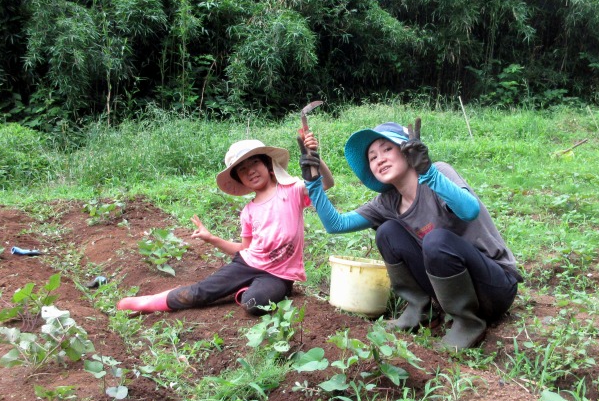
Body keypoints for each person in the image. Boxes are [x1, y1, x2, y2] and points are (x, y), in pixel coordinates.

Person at [299, 121, 521, 349]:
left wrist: (429, 173)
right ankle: (421, 311)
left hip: (494, 287)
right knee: (387, 232)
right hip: (452, 292)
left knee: (436, 240)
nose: (380, 159)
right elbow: (336, 224)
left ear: (407, 150)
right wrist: (313, 182)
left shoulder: (438, 173)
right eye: (373, 157)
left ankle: (467, 323)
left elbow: (470, 211)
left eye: (387, 149)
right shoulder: (387, 202)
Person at [117, 132, 333, 315]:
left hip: (279, 275)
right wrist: (211, 238)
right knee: (200, 292)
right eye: (242, 169)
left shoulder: (293, 189)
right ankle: (149, 302)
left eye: (254, 162)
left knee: (253, 304)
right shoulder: (248, 211)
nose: (250, 170)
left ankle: (244, 290)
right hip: (247, 264)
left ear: (268, 164)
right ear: (240, 179)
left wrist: (314, 157)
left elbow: (326, 183)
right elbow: (244, 249)